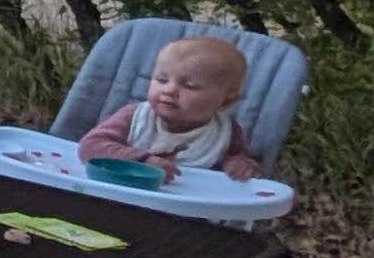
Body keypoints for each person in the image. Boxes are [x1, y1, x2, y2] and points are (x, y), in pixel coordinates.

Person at [77, 31, 264, 180]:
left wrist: (240, 165)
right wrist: (140, 159)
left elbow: (239, 157)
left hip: (182, 210)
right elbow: (91, 146)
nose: (170, 90)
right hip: (121, 195)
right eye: (162, 79)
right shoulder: (135, 117)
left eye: (189, 86)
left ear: (225, 101)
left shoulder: (226, 132)